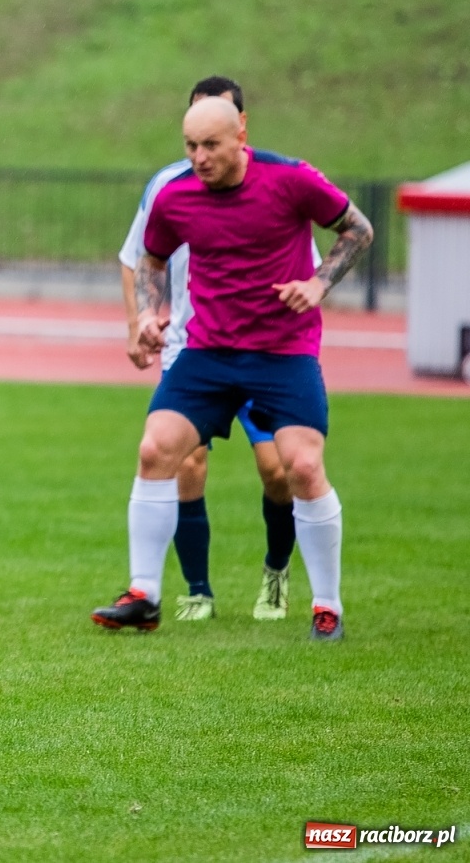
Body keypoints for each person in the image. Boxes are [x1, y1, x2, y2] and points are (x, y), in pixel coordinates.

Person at [92, 97, 372, 641]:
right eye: (190, 147)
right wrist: (147, 313)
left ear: (241, 134)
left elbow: (357, 228)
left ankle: (327, 607)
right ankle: (145, 596)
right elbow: (151, 259)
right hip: (208, 354)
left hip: (283, 353)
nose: (199, 158)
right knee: (155, 451)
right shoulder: (176, 196)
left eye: (210, 146)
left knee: (301, 467)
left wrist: (318, 284)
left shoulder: (291, 179)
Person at [118, 76, 311, 623]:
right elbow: (137, 259)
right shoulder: (168, 188)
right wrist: (139, 323)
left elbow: (309, 262)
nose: (201, 150)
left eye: (214, 133)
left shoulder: (275, 184)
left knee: (278, 471)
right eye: (193, 135)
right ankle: (196, 590)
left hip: (264, 353)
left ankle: (276, 573)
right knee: (183, 460)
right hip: (192, 348)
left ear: (239, 127)